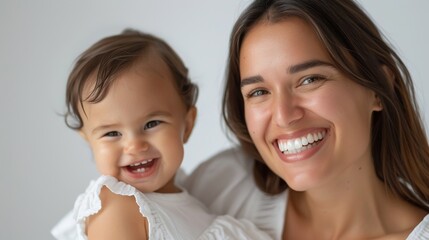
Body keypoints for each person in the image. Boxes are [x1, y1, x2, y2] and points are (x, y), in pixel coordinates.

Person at [184, 0, 429, 239]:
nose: (284, 116)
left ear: (379, 88)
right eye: (259, 92)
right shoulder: (221, 187)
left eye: (310, 79)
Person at [51, 29, 272, 240]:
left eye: (151, 123)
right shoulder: (118, 206)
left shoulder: (195, 201)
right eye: (112, 133)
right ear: (88, 140)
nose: (134, 146)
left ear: (187, 124)